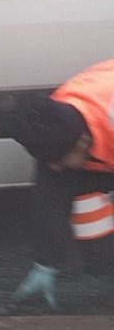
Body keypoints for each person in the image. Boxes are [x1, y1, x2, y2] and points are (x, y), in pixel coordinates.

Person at [9, 59, 114, 310]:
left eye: (57, 160)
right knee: (80, 203)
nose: (53, 167)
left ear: (81, 142)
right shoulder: (55, 121)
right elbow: (50, 200)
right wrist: (44, 264)